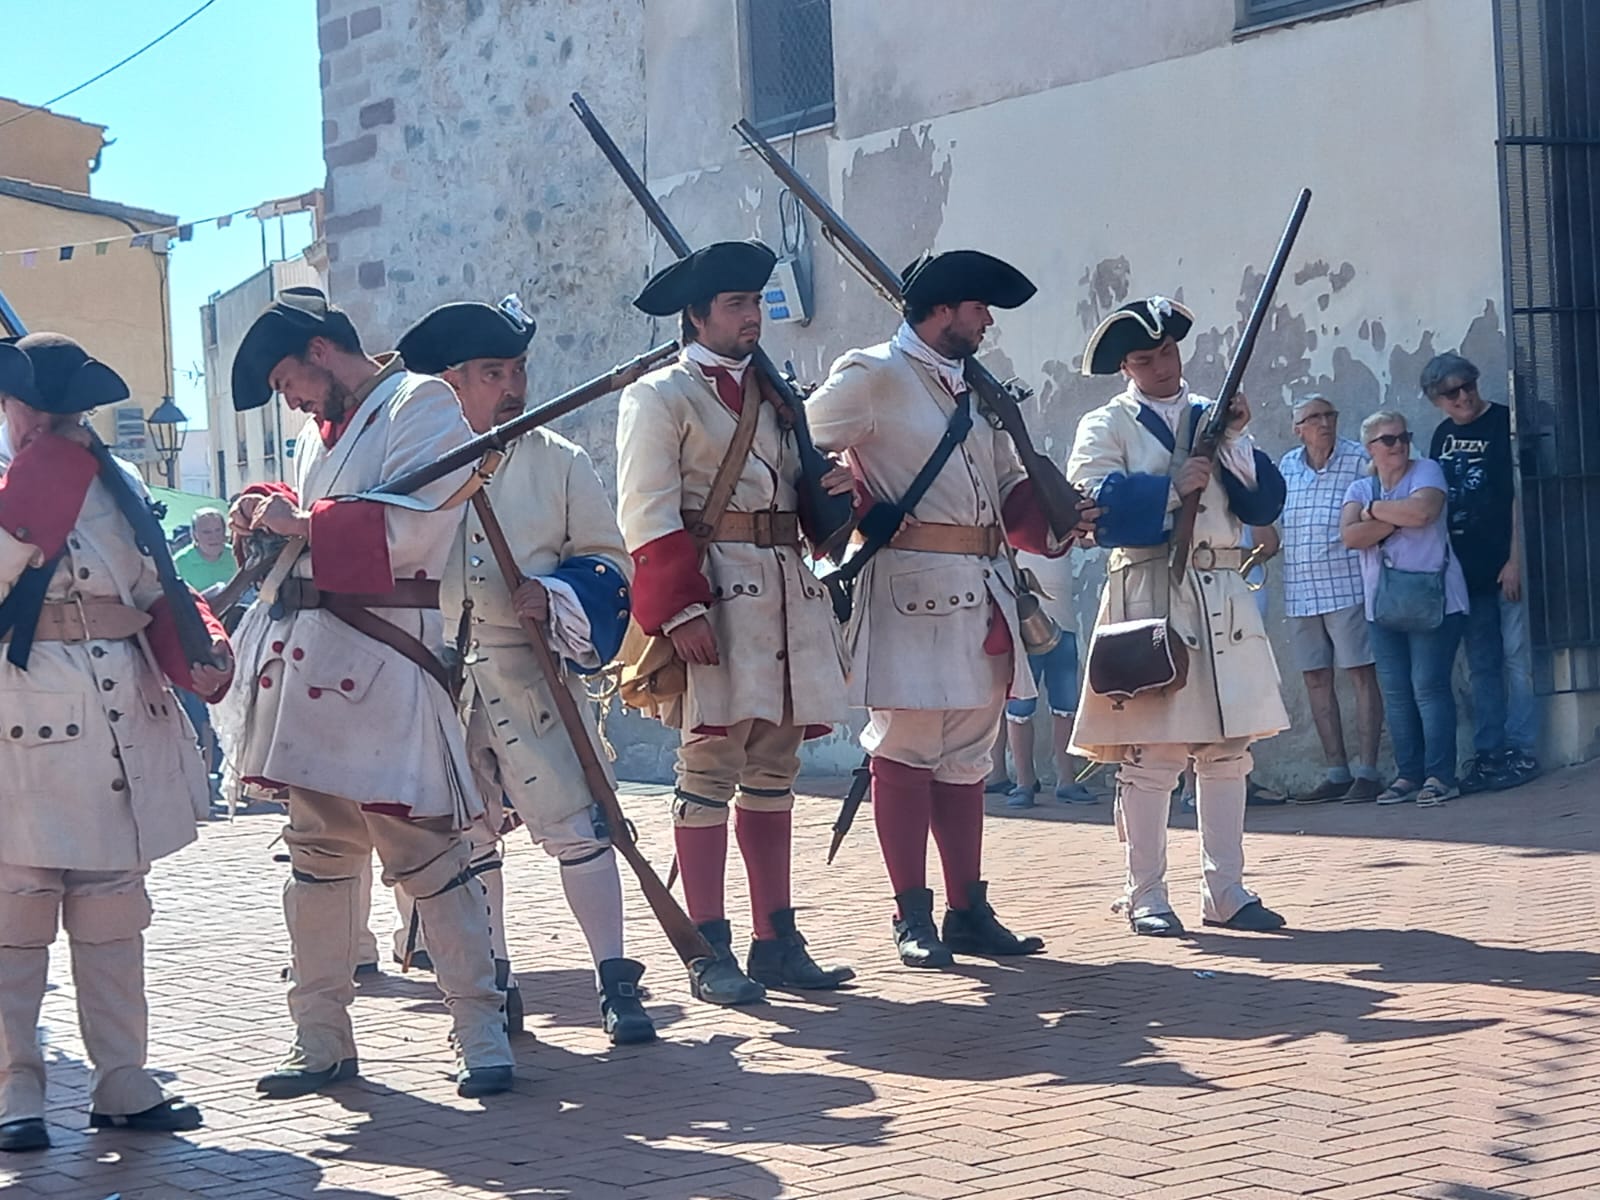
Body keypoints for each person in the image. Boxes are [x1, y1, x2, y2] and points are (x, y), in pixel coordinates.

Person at [213, 287, 514, 1100]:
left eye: (289, 383)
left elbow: (417, 527)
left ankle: (482, 1034)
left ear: (319, 352)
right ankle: (320, 1041)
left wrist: (304, 525)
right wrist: (277, 514)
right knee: (315, 863)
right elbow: (324, 523)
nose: (294, 401)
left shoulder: (423, 402)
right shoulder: (327, 435)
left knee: (429, 859)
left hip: (387, 667)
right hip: (317, 667)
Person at [394, 297, 654, 1044]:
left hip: (533, 677)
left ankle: (614, 979)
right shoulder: (415, 469)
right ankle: (495, 981)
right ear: (451, 384)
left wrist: (557, 591)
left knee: (580, 829)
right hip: (441, 683)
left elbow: (610, 563)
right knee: (470, 843)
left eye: (517, 370)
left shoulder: (560, 463)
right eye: (492, 373)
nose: (512, 386)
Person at [807, 249, 1075, 968]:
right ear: (943, 309)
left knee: (965, 760)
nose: (987, 321)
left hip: (984, 589)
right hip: (910, 589)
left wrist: (1059, 517)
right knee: (905, 753)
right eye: (978, 308)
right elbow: (800, 452)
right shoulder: (870, 377)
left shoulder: (978, 391)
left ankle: (967, 909)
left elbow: (1009, 488)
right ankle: (912, 917)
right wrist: (857, 507)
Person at [0, 334, 233, 1152]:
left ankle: (124, 1080)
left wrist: (199, 655)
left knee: (112, 913)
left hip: (117, 726)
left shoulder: (119, 484)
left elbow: (154, 589)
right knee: (13, 920)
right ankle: (14, 1092)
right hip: (20, 729)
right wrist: (39, 484)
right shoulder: (16, 480)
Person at [616, 240, 855, 1005]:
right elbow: (647, 512)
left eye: (756, 303)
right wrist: (679, 608)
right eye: (735, 305)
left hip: (785, 592)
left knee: (775, 767)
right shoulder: (659, 396)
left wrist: (838, 493)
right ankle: (707, 945)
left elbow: (803, 502)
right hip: (714, 594)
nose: (752, 317)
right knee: (710, 767)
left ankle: (775, 938)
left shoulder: (780, 396)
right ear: (697, 316)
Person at [1067, 296, 1289, 937]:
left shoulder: (1211, 418)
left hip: (1221, 588)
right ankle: (1146, 894)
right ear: (1125, 368)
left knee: (1228, 751)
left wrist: (1235, 437)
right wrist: (1170, 487)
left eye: (1167, 352)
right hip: (1150, 586)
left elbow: (1264, 498)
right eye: (1145, 358)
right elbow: (1094, 505)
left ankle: (1226, 889)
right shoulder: (1105, 424)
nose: (1162, 365)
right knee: (1153, 753)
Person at [1423, 354, 1540, 792]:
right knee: (1481, 665)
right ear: (1437, 400)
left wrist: (1516, 559)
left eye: (1467, 385)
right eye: (1451, 393)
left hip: (1503, 563)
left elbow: (1520, 496)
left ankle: (1522, 748)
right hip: (1462, 570)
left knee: (1518, 659)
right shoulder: (1442, 436)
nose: (1463, 396)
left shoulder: (1503, 425)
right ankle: (1489, 750)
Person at [1341, 410, 1469, 806]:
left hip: (1436, 599)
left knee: (1429, 687)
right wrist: (1396, 519)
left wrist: (1377, 513)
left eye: (1403, 436)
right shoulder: (1360, 487)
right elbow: (1350, 536)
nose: (1398, 445)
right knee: (1396, 693)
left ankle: (1440, 775)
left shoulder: (1426, 470)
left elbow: (1423, 512)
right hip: (1383, 607)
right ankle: (1408, 774)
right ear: (1370, 448)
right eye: (1388, 439)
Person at [1277, 395, 1385, 803]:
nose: (1324, 423)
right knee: (1315, 678)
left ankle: (1368, 770)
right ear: (1298, 429)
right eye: (1313, 418)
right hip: (1301, 591)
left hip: (1347, 587)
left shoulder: (1359, 460)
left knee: (1361, 673)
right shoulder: (1287, 466)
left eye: (1329, 414)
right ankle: (1336, 770)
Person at [1002, 549, 1095, 807]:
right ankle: (1024, 782)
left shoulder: (1062, 531)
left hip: (1063, 628)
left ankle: (1067, 780)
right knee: (1019, 707)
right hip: (1024, 631)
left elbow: (1088, 541)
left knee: (1065, 708)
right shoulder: (1014, 535)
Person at [173, 506, 232, 784]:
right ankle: (205, 775)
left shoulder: (238, 557)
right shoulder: (180, 562)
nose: (213, 536)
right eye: (206, 531)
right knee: (200, 714)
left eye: (218, 530)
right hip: (195, 646)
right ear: (195, 535)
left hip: (235, 640)